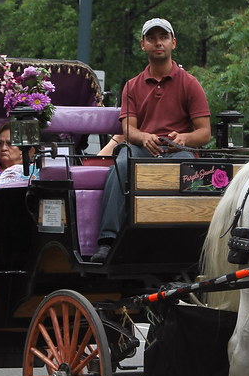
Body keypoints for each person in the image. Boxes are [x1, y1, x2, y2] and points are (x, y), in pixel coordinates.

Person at [90, 18, 211, 262]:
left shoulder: (190, 83)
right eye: (152, 38)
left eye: (163, 37)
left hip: (178, 151)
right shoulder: (132, 85)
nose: (158, 43)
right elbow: (128, 128)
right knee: (122, 164)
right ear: (142, 44)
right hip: (141, 150)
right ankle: (108, 240)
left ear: (173, 43)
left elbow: (204, 132)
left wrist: (185, 137)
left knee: (190, 171)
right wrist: (144, 137)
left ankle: (193, 238)